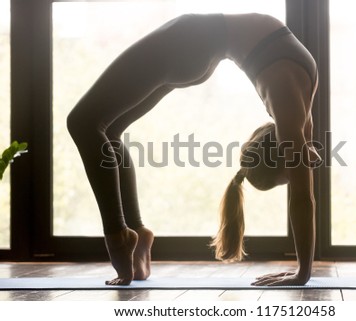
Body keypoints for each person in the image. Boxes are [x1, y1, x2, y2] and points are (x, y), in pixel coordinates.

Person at [67, 13, 320, 286]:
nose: (297, 173)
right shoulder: (294, 119)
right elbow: (303, 194)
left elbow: (303, 198)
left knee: (82, 122)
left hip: (193, 41)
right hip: (198, 46)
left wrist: (302, 272)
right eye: (290, 174)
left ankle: (118, 236)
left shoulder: (293, 109)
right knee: (108, 129)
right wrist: (302, 271)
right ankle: (136, 231)